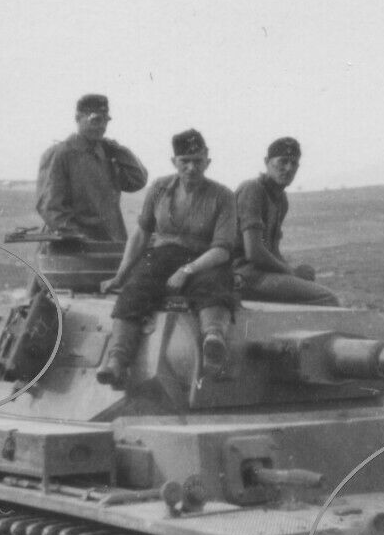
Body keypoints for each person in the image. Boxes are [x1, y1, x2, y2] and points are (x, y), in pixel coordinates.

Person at [97, 129, 239, 388]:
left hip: (205, 258)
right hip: (164, 254)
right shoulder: (160, 188)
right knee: (137, 288)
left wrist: (187, 270)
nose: (192, 167)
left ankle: (213, 340)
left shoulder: (223, 196)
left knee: (214, 285)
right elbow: (142, 233)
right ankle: (117, 360)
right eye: (185, 161)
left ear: (208, 161)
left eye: (198, 161)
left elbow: (223, 249)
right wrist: (120, 275)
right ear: (174, 161)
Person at [233, 137, 340, 306]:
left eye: (293, 163)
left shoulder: (280, 199)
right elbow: (253, 252)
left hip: (258, 274)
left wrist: (293, 271)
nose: (288, 168)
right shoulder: (252, 189)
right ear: (267, 162)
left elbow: (272, 250)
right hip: (241, 276)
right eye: (282, 162)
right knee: (327, 299)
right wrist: (291, 272)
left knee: (307, 280)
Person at [35, 93, 149, 242]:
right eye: (95, 120)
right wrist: (77, 236)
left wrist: (119, 150)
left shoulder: (107, 153)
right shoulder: (60, 154)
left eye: (105, 121)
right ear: (78, 118)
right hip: (73, 247)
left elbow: (138, 181)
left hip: (110, 241)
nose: (102, 126)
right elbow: (50, 207)